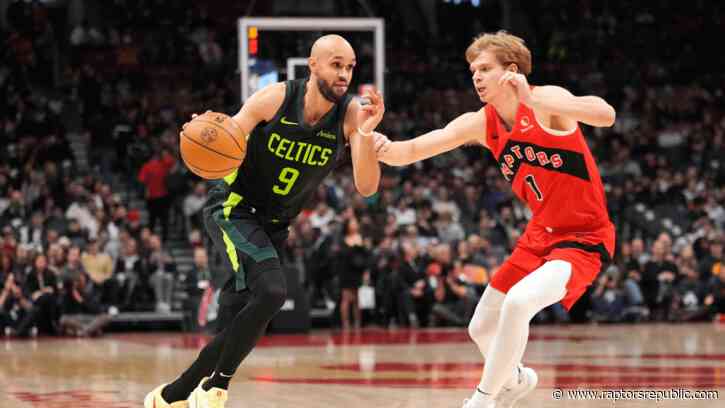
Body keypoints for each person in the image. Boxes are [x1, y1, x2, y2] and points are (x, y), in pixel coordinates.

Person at [374, 30, 616, 408]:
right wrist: (379, 144)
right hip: (539, 235)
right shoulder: (480, 122)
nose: (476, 76)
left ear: (511, 71)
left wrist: (530, 95)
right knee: (480, 327)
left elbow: (605, 114)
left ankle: (483, 400)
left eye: (485, 68)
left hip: (583, 236)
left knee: (519, 303)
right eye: (473, 70)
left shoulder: (544, 101)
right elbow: (415, 149)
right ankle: (517, 378)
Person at [144, 34, 384, 408]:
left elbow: (367, 186)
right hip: (234, 208)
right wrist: (207, 134)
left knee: (237, 316)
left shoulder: (352, 115)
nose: (345, 74)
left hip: (275, 224)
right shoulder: (276, 98)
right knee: (273, 291)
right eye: (337, 64)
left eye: (351, 66)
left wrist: (366, 135)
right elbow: (232, 133)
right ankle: (207, 388)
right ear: (313, 65)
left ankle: (176, 395)